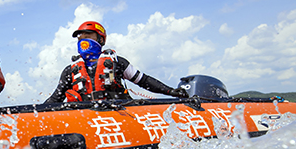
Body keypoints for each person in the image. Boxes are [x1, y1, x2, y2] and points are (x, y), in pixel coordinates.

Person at [43, 21, 190, 103]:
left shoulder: (117, 62)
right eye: (80, 37)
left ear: (100, 39)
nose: (83, 40)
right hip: (86, 116)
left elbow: (144, 81)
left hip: (118, 112)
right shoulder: (70, 71)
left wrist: (170, 91)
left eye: (88, 35)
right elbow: (56, 98)